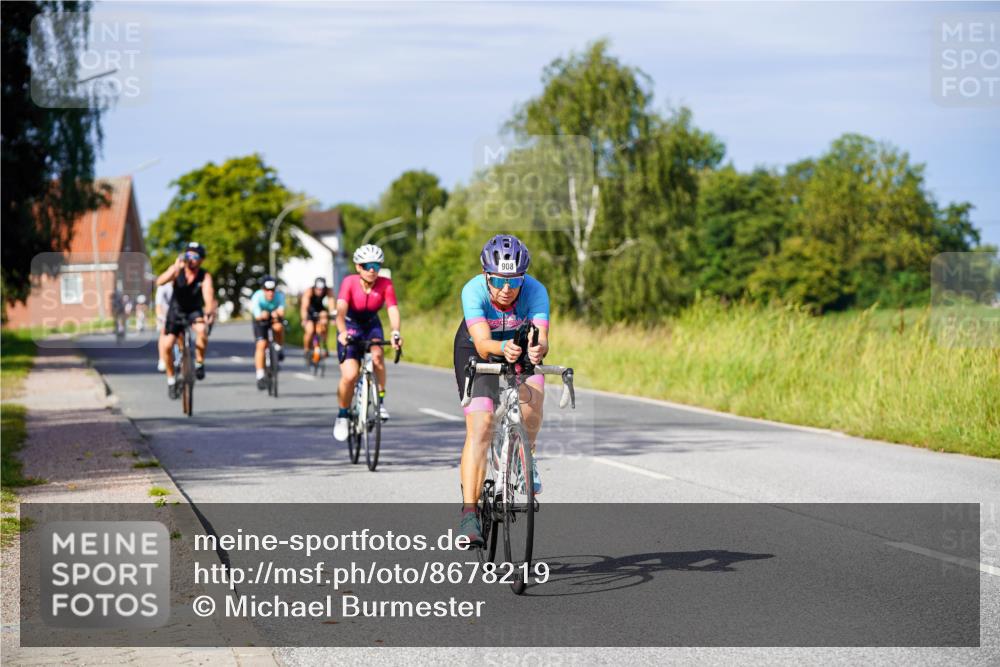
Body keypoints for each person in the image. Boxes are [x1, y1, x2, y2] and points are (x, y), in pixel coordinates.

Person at [452, 234, 550, 547]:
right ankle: (470, 511)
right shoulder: (473, 290)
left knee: (533, 398)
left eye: (515, 281)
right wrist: (501, 347)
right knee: (480, 428)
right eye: (498, 280)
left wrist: (536, 350)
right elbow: (482, 343)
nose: (507, 289)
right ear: (486, 276)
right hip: (477, 348)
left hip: (517, 343)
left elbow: (541, 335)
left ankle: (524, 456)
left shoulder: (535, 291)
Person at [332, 244, 403, 441]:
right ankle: (343, 414)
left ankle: (379, 403)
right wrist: (342, 332)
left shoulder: (385, 284)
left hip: (372, 324)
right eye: (367, 265)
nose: (372, 270)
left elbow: (392, 310)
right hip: (350, 325)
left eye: (376, 265)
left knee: (378, 357)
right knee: (350, 375)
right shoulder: (349, 282)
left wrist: (396, 332)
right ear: (358, 267)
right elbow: (340, 312)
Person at [156, 242, 218, 397]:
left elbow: (208, 296)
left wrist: (208, 311)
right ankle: (171, 380)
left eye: (195, 256)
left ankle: (199, 363)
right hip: (175, 311)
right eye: (188, 255)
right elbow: (160, 281)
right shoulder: (177, 270)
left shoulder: (204, 276)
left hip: (194, 311)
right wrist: (175, 269)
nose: (191, 259)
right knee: (167, 345)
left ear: (201, 259)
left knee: (202, 330)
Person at [249, 275, 286, 390]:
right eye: (267, 290)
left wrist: (277, 313)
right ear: (263, 290)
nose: (270, 293)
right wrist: (261, 315)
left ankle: (278, 347)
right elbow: (256, 314)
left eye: (272, 290)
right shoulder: (257, 296)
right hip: (260, 320)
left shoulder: (280, 296)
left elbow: (281, 310)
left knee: (278, 327)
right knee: (261, 345)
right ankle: (260, 375)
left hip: (274, 319)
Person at [300, 276, 333, 362]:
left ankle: (324, 344)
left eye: (322, 289)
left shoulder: (328, 290)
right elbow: (304, 307)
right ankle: (306, 349)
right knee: (310, 330)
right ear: (314, 287)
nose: (320, 291)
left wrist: (333, 317)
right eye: (318, 289)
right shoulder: (309, 291)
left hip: (320, 309)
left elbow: (331, 303)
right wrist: (304, 319)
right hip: (310, 311)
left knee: (325, 318)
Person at [154, 281, 174, 372]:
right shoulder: (164, 287)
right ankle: (162, 359)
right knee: (163, 332)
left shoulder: (183, 284)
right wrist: (160, 317)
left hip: (177, 314)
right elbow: (158, 305)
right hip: (165, 314)